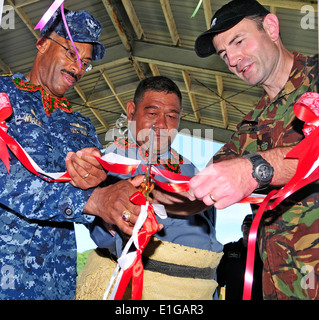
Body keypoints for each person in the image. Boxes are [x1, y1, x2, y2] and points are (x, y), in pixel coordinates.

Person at [0, 9, 142, 300]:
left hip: (57, 281)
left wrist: (112, 200)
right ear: (42, 43)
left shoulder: (81, 125)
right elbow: (7, 178)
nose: (78, 69)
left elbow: (96, 208)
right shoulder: (3, 95)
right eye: (71, 53)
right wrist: (92, 200)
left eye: (86, 63)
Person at [191, 0, 318, 299]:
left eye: (238, 41)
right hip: (280, 286)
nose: (233, 59)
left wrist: (254, 169)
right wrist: (147, 186)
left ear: (271, 28)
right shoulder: (250, 126)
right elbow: (202, 188)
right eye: (224, 54)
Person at [75, 76, 224, 300]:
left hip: (198, 290)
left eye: (172, 116)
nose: (162, 125)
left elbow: (210, 228)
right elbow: (105, 231)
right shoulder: (108, 165)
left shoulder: (191, 170)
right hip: (140, 286)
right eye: (152, 113)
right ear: (131, 111)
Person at [217, 214, 263, 300]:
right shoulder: (228, 250)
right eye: (247, 226)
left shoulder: (264, 252)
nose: (249, 230)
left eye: (254, 226)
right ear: (242, 227)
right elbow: (218, 282)